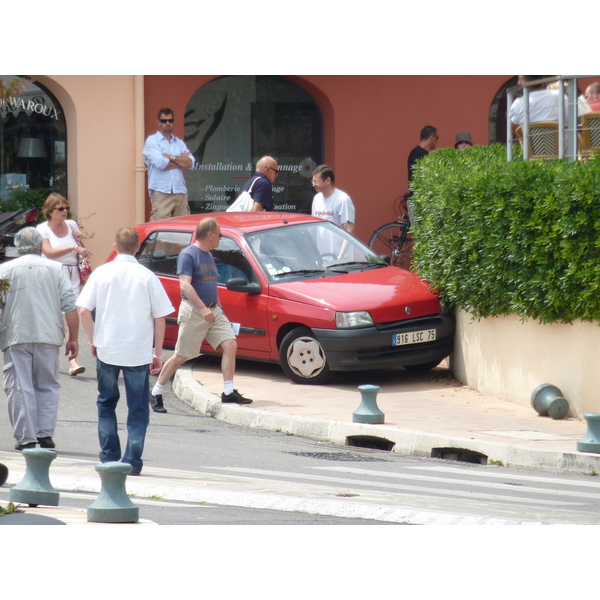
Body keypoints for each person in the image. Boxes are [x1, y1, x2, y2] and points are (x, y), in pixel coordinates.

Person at [77, 229, 174, 476]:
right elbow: (160, 317)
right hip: (138, 352)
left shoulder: (101, 273)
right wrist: (158, 354)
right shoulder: (147, 276)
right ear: (138, 247)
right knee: (138, 408)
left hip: (108, 347)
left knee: (106, 403)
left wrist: (93, 339)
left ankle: (109, 457)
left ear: (114, 245)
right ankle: (132, 460)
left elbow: (83, 310)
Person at [150, 217, 252, 413]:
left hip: (214, 311)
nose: (221, 239)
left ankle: (228, 392)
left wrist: (218, 307)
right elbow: (185, 285)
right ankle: (156, 391)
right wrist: (203, 308)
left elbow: (210, 284)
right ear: (210, 235)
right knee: (182, 356)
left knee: (230, 343)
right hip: (195, 311)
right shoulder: (189, 255)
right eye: (220, 235)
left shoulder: (208, 256)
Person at [0, 227, 79, 450]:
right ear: (39, 246)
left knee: (19, 385)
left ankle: (25, 437)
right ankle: (44, 434)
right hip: (48, 333)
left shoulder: (5, 270)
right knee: (47, 384)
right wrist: (73, 338)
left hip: (17, 334)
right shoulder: (55, 269)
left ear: (18, 246)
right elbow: (70, 306)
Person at [36, 193, 91, 377]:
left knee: (70, 317)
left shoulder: (72, 225)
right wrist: (73, 247)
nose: (65, 211)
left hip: (71, 273)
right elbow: (49, 252)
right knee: (53, 318)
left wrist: (78, 239)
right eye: (60, 209)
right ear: (50, 212)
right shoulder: (42, 229)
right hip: (52, 274)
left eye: (66, 208)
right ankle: (47, 357)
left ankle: (73, 361)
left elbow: (81, 250)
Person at [143, 108, 195, 221]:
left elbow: (191, 163)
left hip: (180, 191)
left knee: (183, 232)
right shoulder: (152, 141)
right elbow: (160, 163)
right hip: (162, 192)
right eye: (164, 121)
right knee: (161, 232)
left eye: (170, 120)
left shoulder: (179, 143)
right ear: (158, 122)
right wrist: (181, 162)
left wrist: (171, 157)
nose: (167, 123)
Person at [311, 165, 356, 260]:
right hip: (322, 258)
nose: (313, 185)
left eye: (316, 181)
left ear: (328, 180)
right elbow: (314, 227)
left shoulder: (342, 200)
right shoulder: (317, 199)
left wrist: (342, 254)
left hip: (341, 260)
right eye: (313, 181)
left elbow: (349, 230)